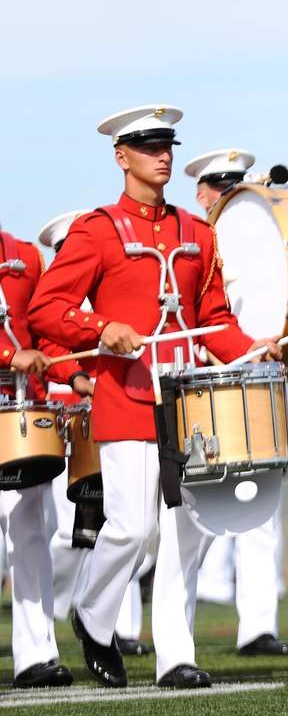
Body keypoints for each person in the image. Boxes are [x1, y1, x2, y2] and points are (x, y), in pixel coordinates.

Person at [27, 105, 282, 690]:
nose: (162, 156)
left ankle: (176, 656)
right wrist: (101, 328)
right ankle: (94, 614)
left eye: (167, 146)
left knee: (188, 530)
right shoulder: (97, 230)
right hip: (128, 396)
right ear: (122, 157)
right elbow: (46, 307)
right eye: (148, 147)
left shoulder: (198, 232)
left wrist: (250, 349)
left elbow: (213, 320)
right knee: (133, 529)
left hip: (191, 401)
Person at [183, 149, 288, 657]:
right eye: (218, 186)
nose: (227, 195)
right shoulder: (191, 241)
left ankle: (258, 627)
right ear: (201, 193)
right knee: (191, 513)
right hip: (205, 383)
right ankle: (149, 617)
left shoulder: (259, 232)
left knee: (261, 502)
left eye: (235, 184)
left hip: (257, 378)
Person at [37, 210, 155, 658]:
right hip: (71, 414)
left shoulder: (109, 294)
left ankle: (119, 626)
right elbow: (48, 345)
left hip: (117, 404)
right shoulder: (63, 300)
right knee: (73, 531)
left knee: (129, 525)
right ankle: (56, 609)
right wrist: (77, 377)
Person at [0, 225, 86, 688]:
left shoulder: (25, 256)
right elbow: (16, 348)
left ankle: (35, 655)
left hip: (19, 412)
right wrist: (7, 354)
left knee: (30, 528)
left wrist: (73, 374)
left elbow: (41, 336)